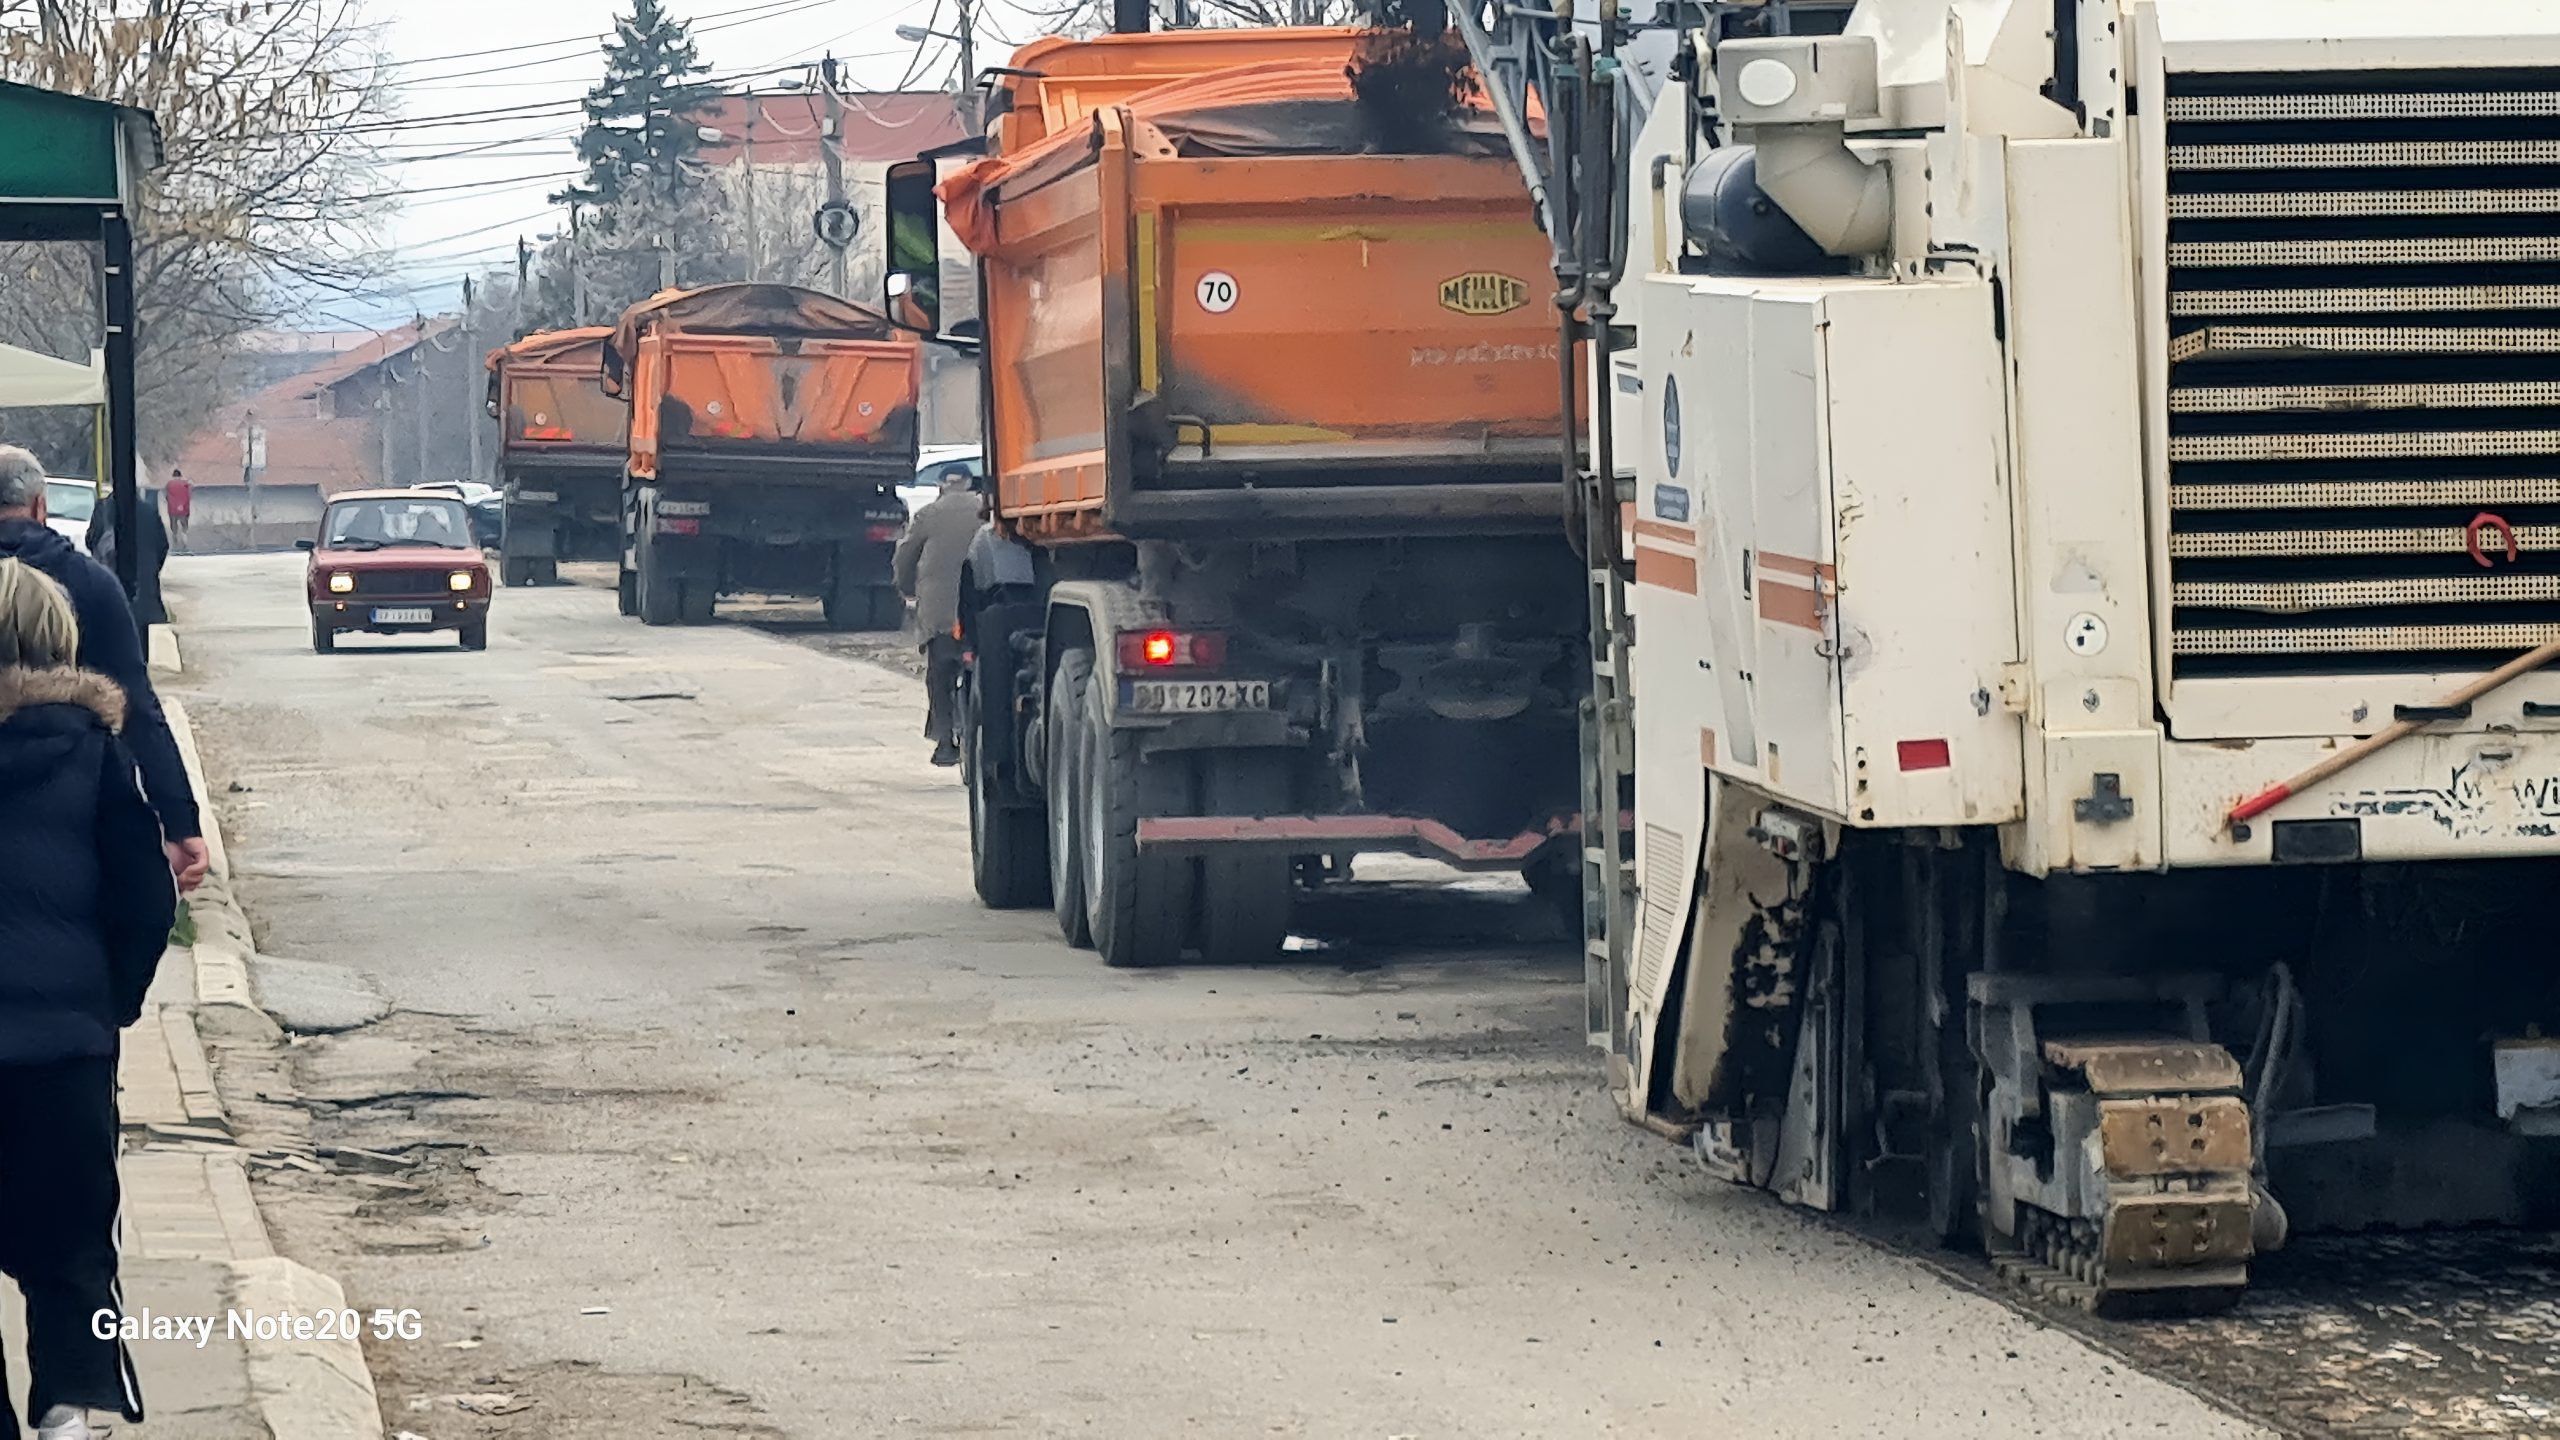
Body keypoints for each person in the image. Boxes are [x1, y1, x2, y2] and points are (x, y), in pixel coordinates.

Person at [0, 557, 173, 1439]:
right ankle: (71, 1409)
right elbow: (145, 896)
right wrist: (114, 1000)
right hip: (65, 1045)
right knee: (71, 1245)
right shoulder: (96, 752)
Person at [0, 447, 206, 891]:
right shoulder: (89, 583)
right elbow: (137, 706)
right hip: (74, 811)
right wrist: (179, 820)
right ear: (40, 506)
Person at [893, 465, 985, 767]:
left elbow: (905, 557)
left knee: (939, 673)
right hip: (982, 608)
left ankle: (945, 741)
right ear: (969, 483)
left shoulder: (929, 515)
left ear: (942, 485)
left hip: (940, 612)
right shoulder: (986, 511)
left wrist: (907, 588)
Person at [162, 468, 190, 550]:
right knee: (184, 527)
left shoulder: (169, 484)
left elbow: (166, 496)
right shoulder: (185, 484)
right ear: (180, 476)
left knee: (174, 527)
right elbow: (188, 496)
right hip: (183, 510)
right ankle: (184, 541)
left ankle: (175, 540)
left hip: (173, 510)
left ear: (173, 476)